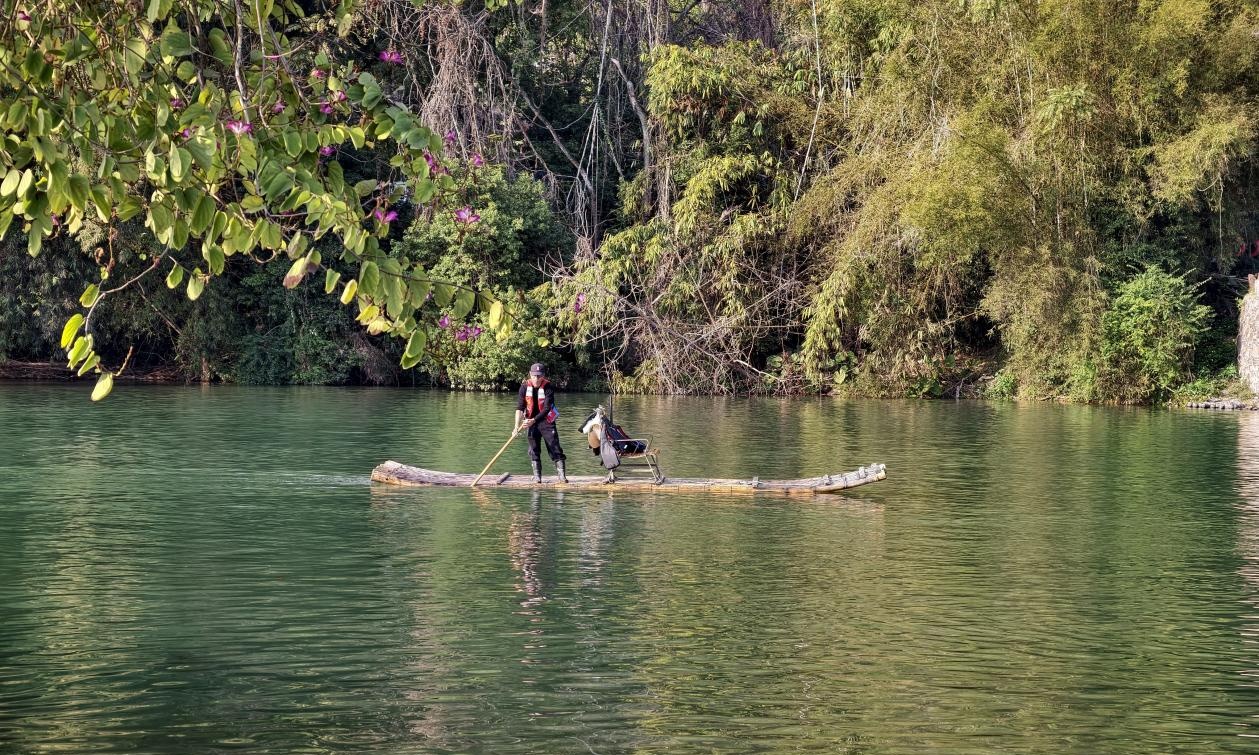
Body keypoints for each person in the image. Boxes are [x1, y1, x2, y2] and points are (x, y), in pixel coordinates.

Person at [515, 362, 567, 483]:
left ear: (543, 376)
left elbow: (547, 408)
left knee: (554, 446)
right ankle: (537, 477)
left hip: (546, 421)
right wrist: (516, 427)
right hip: (530, 422)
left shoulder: (548, 387)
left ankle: (562, 476)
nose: (536, 379)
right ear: (530, 375)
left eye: (539, 376)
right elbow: (519, 407)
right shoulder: (524, 387)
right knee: (534, 449)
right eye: (534, 376)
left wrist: (533, 420)